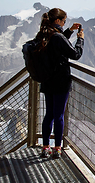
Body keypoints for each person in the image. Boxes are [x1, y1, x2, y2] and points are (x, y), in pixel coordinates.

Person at [36, 8, 84, 159]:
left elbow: (58, 42)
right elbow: (75, 54)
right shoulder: (57, 36)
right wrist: (80, 39)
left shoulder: (44, 33)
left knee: (49, 114)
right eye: (64, 21)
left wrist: (69, 31)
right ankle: (57, 148)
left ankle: (45, 147)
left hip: (47, 80)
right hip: (61, 81)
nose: (64, 23)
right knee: (59, 116)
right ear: (57, 21)